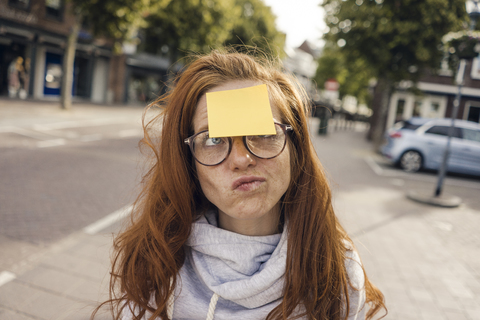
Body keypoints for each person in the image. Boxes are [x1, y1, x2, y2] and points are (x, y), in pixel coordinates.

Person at [97, 48, 386, 320]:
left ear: (295, 149)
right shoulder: (153, 263)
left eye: (263, 133)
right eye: (214, 139)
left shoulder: (339, 269)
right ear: (188, 163)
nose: (241, 158)